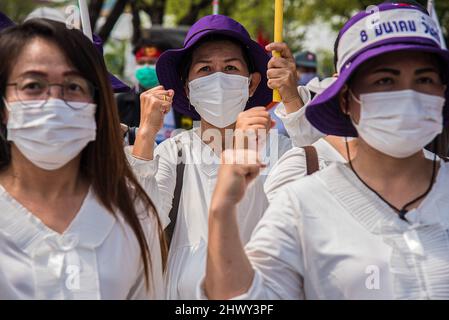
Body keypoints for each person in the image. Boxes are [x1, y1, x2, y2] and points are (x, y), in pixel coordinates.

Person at [203, 2, 449, 299]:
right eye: (385, 80)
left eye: (425, 79)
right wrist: (222, 212)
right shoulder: (302, 204)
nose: (407, 95)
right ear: (345, 99)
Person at [0, 19, 165, 299]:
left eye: (73, 86)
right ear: (3, 105)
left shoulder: (134, 209)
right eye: (32, 85)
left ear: (96, 105)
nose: (54, 101)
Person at [129, 14, 292, 299]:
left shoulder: (279, 150)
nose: (218, 77)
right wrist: (145, 135)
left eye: (230, 67)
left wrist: (293, 100)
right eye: (205, 69)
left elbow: (304, 211)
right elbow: (141, 223)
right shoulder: (174, 151)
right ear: (188, 88)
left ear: (252, 84)